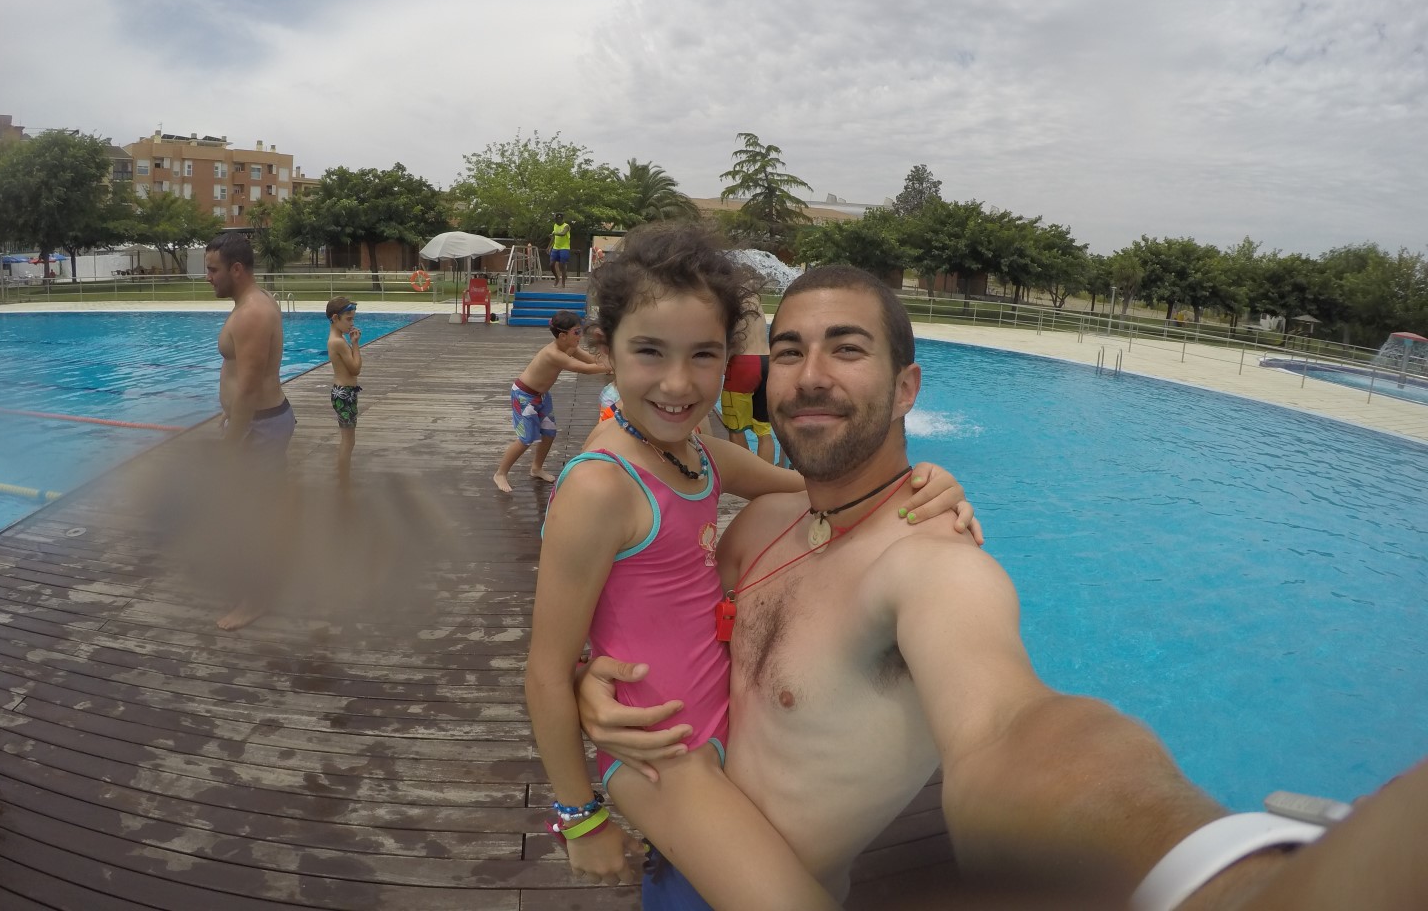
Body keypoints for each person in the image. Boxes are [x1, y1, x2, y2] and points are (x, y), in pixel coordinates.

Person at [576, 263, 1428, 910]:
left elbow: (1011, 728)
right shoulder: (762, 523)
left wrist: (1208, 869)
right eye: (790, 351)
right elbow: (664, 626)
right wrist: (595, 685)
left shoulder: (933, 565)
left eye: (848, 348)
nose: (811, 375)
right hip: (674, 860)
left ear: (906, 387)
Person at [525, 228, 983, 911]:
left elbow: (823, 488)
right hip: (662, 753)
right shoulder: (601, 485)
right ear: (605, 351)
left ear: (729, 359)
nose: (678, 383)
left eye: (703, 354)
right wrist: (579, 818)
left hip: (717, 730)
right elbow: (543, 668)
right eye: (649, 351)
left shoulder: (697, 455)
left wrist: (926, 483)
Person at [204, 231, 295, 630]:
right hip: (256, 423)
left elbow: (250, 386)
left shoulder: (252, 313)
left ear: (236, 269)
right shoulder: (251, 303)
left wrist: (231, 441)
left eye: (213, 269)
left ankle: (257, 599)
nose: (208, 277)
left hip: (259, 429)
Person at [492, 310, 608, 492]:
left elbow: (591, 361)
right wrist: (609, 366)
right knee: (526, 438)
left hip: (541, 396)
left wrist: (608, 362)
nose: (580, 336)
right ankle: (500, 473)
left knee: (549, 433)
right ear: (563, 336)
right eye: (577, 332)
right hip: (524, 396)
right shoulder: (552, 353)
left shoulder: (570, 347)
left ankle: (536, 468)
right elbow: (584, 369)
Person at [718, 288, 777, 464]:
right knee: (764, 431)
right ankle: (766, 475)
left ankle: (746, 472)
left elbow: (731, 338)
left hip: (743, 363)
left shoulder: (731, 297)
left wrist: (723, 362)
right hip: (766, 361)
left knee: (735, 429)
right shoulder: (754, 298)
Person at [325, 297, 363, 487]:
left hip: (345, 392)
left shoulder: (337, 340)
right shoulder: (338, 342)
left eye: (353, 318)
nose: (351, 323)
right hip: (344, 394)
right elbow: (355, 369)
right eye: (348, 319)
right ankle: (344, 482)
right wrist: (355, 344)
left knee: (348, 440)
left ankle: (343, 478)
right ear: (335, 318)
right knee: (348, 442)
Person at [550, 211, 571, 287]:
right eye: (555, 219)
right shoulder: (555, 225)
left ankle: (563, 283)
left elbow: (563, 233)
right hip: (556, 247)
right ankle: (557, 278)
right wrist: (549, 247)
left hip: (564, 248)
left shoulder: (566, 226)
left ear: (561, 219)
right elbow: (553, 238)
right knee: (551, 264)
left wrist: (554, 233)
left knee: (562, 265)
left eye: (556, 219)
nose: (555, 221)